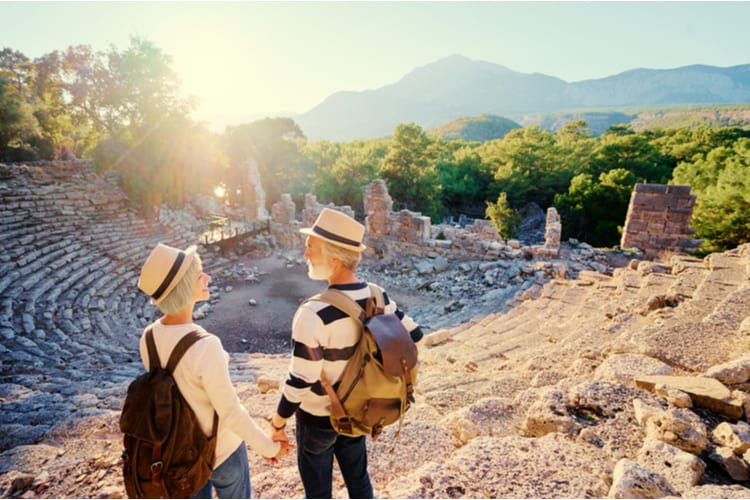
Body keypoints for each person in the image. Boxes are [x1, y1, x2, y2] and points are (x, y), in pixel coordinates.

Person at [267, 208, 423, 499]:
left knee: (318, 492)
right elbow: (415, 335)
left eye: (310, 248)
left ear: (334, 258)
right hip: (360, 410)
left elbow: (301, 380)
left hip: (317, 420)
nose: (304, 255)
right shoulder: (377, 295)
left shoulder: (312, 312)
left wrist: (277, 423)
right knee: (358, 479)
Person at [137, 243, 294, 499]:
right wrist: (268, 447)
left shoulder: (149, 338)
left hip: (178, 452)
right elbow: (230, 412)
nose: (207, 278)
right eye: (200, 275)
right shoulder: (206, 345)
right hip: (222, 452)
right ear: (185, 288)